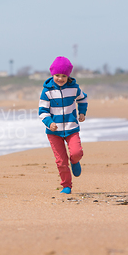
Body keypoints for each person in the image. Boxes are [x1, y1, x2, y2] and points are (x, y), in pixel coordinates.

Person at [39, 56, 88, 194]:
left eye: (63, 76)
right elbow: (42, 111)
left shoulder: (74, 89)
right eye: (57, 75)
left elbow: (83, 99)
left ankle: (74, 161)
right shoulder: (47, 91)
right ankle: (66, 185)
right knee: (61, 161)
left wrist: (82, 112)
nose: (60, 79)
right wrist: (49, 123)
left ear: (68, 76)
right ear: (52, 74)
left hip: (72, 128)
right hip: (54, 132)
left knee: (77, 153)